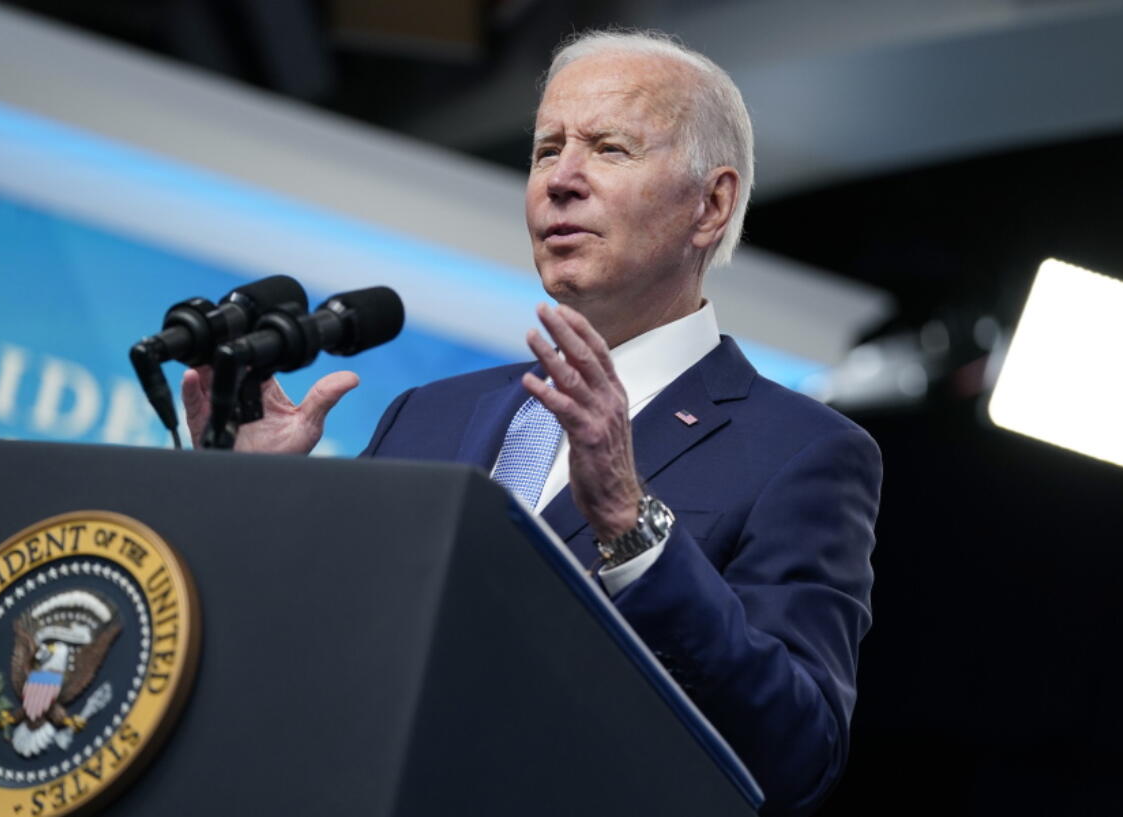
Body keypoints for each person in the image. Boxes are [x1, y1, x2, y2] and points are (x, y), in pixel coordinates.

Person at [183, 29, 881, 816]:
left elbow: (795, 749)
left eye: (610, 148)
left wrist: (630, 526)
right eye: (547, 149)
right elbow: (316, 655)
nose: (561, 180)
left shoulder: (801, 451)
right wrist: (251, 499)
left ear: (709, 205)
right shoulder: (430, 413)